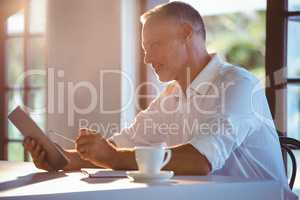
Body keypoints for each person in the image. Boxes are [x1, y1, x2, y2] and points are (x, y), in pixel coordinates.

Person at [23, 1, 297, 199]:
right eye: (144, 49)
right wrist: (60, 159)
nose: (147, 58)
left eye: (155, 45)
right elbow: (117, 148)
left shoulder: (238, 85)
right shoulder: (171, 96)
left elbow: (202, 160)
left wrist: (114, 156)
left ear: (188, 34)